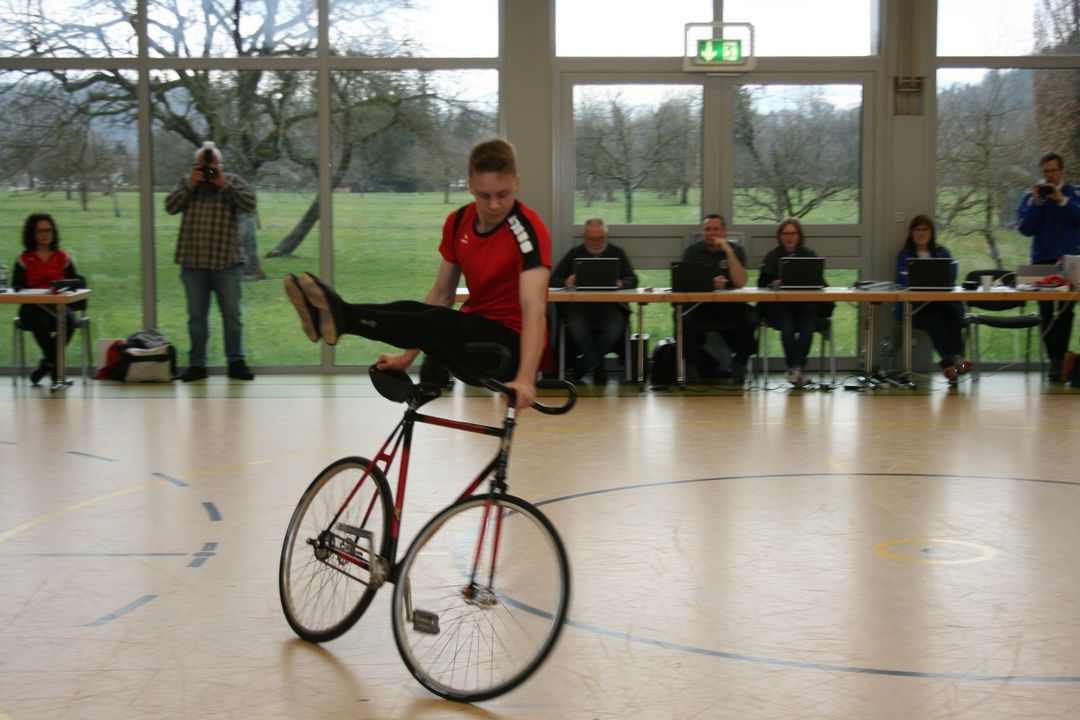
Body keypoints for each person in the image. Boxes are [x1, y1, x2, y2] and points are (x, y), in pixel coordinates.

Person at [284, 138, 551, 411]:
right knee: (418, 310)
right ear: (470, 185)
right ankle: (331, 314)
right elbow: (441, 295)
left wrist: (525, 380)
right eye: (484, 195)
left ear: (516, 183)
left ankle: (341, 316)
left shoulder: (528, 232)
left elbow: (534, 310)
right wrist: (405, 359)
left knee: (440, 321)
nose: (494, 205)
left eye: (502, 194)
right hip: (471, 344)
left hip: (509, 352)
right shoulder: (458, 223)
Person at [165, 141, 257, 382]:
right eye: (203, 167)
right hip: (193, 263)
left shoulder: (233, 182)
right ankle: (197, 364)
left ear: (220, 165)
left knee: (232, 316)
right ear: (196, 166)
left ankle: (236, 361)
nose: (208, 171)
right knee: (196, 317)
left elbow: (250, 205)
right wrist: (191, 184)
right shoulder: (188, 183)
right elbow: (170, 206)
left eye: (212, 166)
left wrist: (223, 184)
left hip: (227, 263)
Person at [1016, 151, 1080, 382]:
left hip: (1070, 260)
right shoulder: (1033, 196)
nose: (1050, 175)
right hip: (1040, 261)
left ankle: (1058, 361)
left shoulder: (1074, 193)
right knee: (1044, 312)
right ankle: (1058, 360)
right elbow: (1025, 229)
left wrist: (1061, 199)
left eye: (1053, 170)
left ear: (1061, 171)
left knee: (1066, 311)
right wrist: (1037, 203)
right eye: (1046, 171)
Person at [550, 217, 638, 383]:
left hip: (610, 306)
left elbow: (633, 280)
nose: (596, 242)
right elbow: (553, 279)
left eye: (600, 238)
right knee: (577, 327)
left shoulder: (617, 253)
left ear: (606, 236)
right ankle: (597, 366)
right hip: (579, 306)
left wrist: (621, 283)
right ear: (584, 237)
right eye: (592, 238)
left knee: (614, 328)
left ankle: (586, 363)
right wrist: (566, 282)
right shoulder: (574, 254)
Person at [894, 215, 973, 384]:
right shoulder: (905, 255)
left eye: (925, 229)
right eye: (918, 229)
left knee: (953, 314)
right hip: (916, 307)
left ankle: (952, 364)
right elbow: (902, 279)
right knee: (933, 319)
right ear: (911, 233)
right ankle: (954, 361)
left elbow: (951, 274)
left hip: (942, 303)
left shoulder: (941, 251)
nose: (921, 233)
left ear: (931, 233)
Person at [678, 213, 756, 383]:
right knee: (682, 318)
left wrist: (728, 250)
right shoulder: (692, 251)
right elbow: (683, 281)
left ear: (724, 231)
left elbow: (740, 282)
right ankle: (691, 367)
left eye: (716, 229)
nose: (711, 233)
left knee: (752, 317)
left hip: (730, 307)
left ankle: (739, 363)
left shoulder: (736, 251)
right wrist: (708, 283)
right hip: (701, 306)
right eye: (707, 229)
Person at [11, 214, 84, 385]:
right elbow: (16, 285)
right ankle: (56, 368)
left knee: (69, 320)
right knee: (39, 320)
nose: (45, 234)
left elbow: (76, 282)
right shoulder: (23, 258)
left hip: (58, 305)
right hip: (32, 308)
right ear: (32, 234)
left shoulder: (62, 257)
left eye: (48, 230)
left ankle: (48, 364)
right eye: (40, 231)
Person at [757, 218, 819, 387]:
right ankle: (797, 368)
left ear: (799, 236)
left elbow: (820, 281)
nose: (789, 237)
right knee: (787, 325)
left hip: (804, 304)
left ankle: (795, 368)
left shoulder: (809, 255)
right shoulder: (772, 256)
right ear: (780, 236)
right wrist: (773, 284)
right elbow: (761, 284)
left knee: (808, 324)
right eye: (785, 233)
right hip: (780, 305)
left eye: (793, 233)